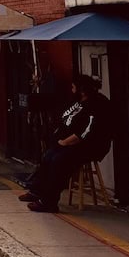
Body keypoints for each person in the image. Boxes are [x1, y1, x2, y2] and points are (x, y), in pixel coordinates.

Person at [20, 74, 112, 213]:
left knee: (58, 161)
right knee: (48, 157)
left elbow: (88, 131)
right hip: (68, 143)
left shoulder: (98, 104)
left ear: (82, 89)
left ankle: (49, 201)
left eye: (74, 87)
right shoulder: (77, 101)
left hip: (87, 146)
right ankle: (37, 191)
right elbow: (65, 120)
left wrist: (66, 142)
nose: (72, 89)